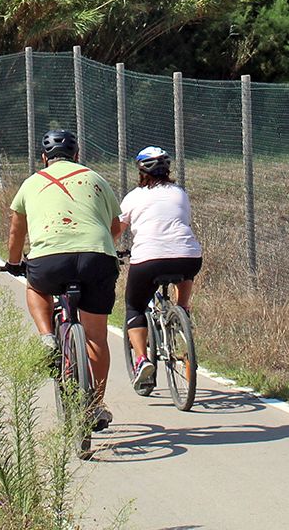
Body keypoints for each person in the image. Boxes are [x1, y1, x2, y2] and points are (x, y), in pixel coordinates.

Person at [1, 128, 122, 429]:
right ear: (77, 156)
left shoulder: (31, 183)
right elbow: (115, 227)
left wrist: (15, 262)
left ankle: (46, 337)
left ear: (44, 159)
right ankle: (95, 406)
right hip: (98, 258)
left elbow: (17, 230)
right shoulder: (95, 178)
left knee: (34, 284)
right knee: (96, 337)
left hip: (50, 260)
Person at [119, 145, 203, 395]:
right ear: (168, 169)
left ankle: (142, 360)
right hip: (187, 257)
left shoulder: (133, 197)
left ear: (140, 171)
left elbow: (118, 228)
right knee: (186, 265)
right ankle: (183, 309)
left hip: (148, 260)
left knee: (135, 307)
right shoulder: (180, 193)